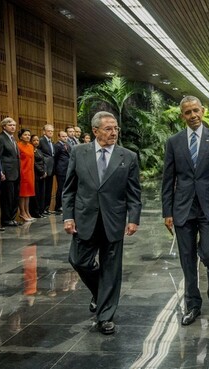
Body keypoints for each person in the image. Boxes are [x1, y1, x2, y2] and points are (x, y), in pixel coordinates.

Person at [63, 111, 142, 335]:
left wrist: (133, 218)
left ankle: (106, 316)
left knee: (111, 269)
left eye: (116, 128)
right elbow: (69, 189)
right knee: (78, 260)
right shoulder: (79, 153)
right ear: (95, 131)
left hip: (114, 219)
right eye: (108, 129)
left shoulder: (128, 156)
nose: (114, 132)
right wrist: (68, 216)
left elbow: (134, 193)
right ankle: (101, 293)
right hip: (84, 218)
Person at [162, 95, 209, 326]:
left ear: (203, 111)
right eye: (187, 112)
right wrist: (167, 212)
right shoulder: (174, 142)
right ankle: (193, 304)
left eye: (195, 111)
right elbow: (168, 179)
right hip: (182, 208)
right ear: (182, 116)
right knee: (187, 259)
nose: (192, 116)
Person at [0, 117, 21, 227]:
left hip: (15, 172)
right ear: (4, 126)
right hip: (7, 173)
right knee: (7, 197)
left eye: (14, 125)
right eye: (10, 125)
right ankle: (6, 219)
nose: (13, 127)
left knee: (15, 197)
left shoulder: (13, 138)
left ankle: (12, 218)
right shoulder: (1, 138)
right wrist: (1, 171)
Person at [17, 129, 35, 222]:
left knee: (28, 194)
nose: (28, 136)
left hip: (30, 172)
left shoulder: (31, 146)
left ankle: (27, 212)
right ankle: (22, 212)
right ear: (20, 136)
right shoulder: (18, 146)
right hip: (22, 171)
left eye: (29, 135)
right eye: (25, 135)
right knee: (22, 194)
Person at [29, 135, 47, 218]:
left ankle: (41, 210)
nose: (36, 142)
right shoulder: (31, 150)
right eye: (34, 140)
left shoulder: (39, 150)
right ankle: (35, 212)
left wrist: (45, 171)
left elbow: (44, 161)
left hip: (43, 174)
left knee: (42, 194)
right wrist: (41, 172)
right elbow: (34, 163)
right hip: (36, 174)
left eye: (37, 140)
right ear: (31, 141)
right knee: (36, 194)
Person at [39, 124, 55, 215]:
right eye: (49, 131)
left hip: (51, 168)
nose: (50, 132)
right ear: (44, 131)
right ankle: (42, 209)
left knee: (49, 189)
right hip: (44, 169)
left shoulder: (51, 141)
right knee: (43, 190)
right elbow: (40, 155)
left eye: (52, 131)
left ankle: (47, 208)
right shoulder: (41, 140)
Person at [53, 131, 71, 214]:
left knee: (66, 188)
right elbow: (55, 158)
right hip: (61, 170)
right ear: (59, 137)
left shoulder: (67, 145)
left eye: (66, 136)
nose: (65, 138)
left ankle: (64, 205)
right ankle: (58, 206)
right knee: (61, 188)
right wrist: (56, 170)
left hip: (67, 169)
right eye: (63, 136)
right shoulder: (57, 146)